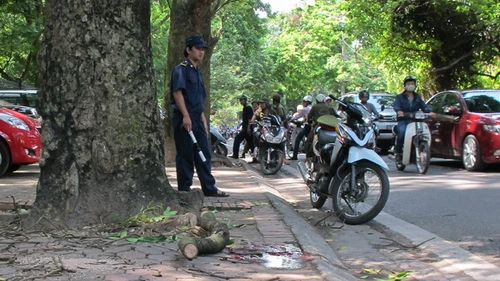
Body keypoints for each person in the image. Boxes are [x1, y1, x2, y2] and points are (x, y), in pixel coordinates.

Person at [170, 35, 228, 197]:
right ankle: (184, 190)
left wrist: (202, 118)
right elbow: (177, 93)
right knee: (185, 154)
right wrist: (186, 116)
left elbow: (198, 99)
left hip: (197, 118)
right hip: (183, 119)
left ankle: (209, 188)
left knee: (204, 153)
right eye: (197, 48)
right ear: (188, 50)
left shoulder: (198, 72)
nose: (201, 52)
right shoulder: (181, 69)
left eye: (203, 49)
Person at [392, 75, 434, 162]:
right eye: (408, 83)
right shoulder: (399, 97)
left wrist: (429, 112)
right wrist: (399, 111)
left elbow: (424, 106)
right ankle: (398, 152)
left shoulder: (417, 97)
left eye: (412, 83)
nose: (410, 85)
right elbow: (396, 106)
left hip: (415, 120)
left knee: (423, 132)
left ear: (415, 85)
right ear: (405, 85)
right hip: (404, 120)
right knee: (402, 132)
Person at [289, 95, 313, 160]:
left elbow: (298, 116)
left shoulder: (305, 109)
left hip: (308, 126)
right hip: (313, 126)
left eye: (304, 102)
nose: (303, 103)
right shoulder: (312, 107)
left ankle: (295, 156)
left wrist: (291, 119)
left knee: (298, 139)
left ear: (307, 102)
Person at [231, 94, 254, 160]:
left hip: (247, 129)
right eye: (240, 100)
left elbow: (249, 119)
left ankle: (235, 155)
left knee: (237, 139)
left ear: (245, 100)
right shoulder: (245, 108)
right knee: (250, 143)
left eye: (241, 100)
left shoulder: (248, 108)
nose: (240, 101)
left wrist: (248, 128)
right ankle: (255, 157)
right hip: (245, 128)